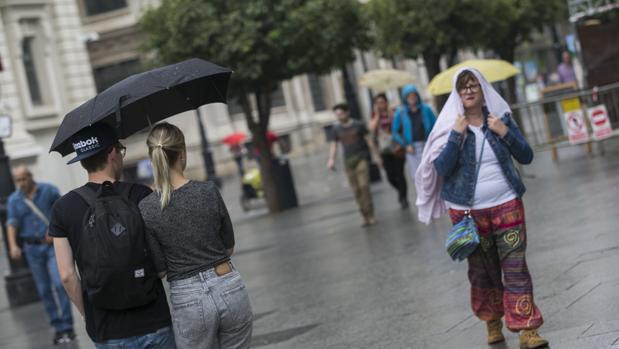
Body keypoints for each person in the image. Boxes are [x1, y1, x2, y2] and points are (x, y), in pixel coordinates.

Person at [431, 68, 548, 348]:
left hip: (507, 204)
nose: (469, 91)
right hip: (467, 213)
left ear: (483, 90)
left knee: (516, 266)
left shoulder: (500, 119)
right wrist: (456, 137)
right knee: (482, 271)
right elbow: (441, 168)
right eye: (463, 88)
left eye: (473, 86)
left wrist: (504, 132)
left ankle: (527, 330)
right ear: (457, 95)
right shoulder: (450, 125)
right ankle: (492, 320)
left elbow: (526, 155)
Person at [49, 123, 175, 348]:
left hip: (107, 329)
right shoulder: (141, 195)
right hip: (154, 321)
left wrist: (87, 313)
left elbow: (67, 275)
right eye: (120, 150)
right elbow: (164, 257)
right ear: (112, 152)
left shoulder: (63, 208)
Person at [139, 122, 253, 349]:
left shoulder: (146, 208)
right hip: (228, 284)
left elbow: (160, 270)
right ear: (182, 155)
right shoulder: (208, 190)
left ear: (153, 159)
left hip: (187, 298)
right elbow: (228, 247)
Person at [6, 166, 75, 345]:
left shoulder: (49, 190)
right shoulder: (14, 200)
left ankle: (68, 325)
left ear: (30, 176)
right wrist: (13, 245)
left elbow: (63, 211)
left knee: (60, 284)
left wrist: (55, 229)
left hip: (52, 246)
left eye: (23, 179)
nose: (21, 183)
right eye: (17, 180)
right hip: (32, 249)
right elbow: (11, 223)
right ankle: (59, 328)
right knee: (44, 290)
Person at [327, 103, 382, 227]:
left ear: (347, 113)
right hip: (348, 161)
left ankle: (371, 214)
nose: (339, 117)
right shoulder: (336, 129)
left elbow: (369, 141)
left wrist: (376, 156)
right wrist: (331, 160)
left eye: (341, 114)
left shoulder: (358, 125)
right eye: (337, 115)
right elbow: (334, 145)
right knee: (356, 190)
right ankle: (364, 216)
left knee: (364, 187)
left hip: (361, 159)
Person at [392, 84, 436, 193]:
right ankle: (423, 200)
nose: (412, 98)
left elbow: (436, 125)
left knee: (430, 174)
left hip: (427, 145)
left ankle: (433, 198)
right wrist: (406, 145)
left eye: (413, 95)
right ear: (405, 98)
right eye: (409, 96)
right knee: (417, 176)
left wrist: (433, 141)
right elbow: (395, 132)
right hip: (412, 148)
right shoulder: (401, 112)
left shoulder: (426, 109)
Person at [368, 93, 408, 209]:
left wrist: (391, 113)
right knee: (390, 176)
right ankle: (401, 191)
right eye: (378, 103)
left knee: (400, 174)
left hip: (397, 147)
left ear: (386, 102)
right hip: (384, 149)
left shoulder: (394, 112)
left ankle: (403, 198)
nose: (381, 105)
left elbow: (400, 125)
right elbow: (371, 129)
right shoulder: (375, 116)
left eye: (382, 102)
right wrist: (377, 114)